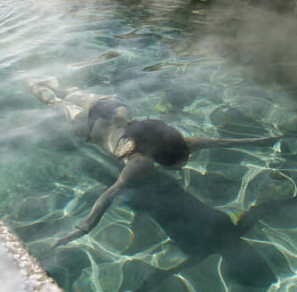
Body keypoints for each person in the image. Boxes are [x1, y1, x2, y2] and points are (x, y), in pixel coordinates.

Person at [27, 77, 278, 245]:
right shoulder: (139, 165)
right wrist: (81, 229)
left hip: (112, 107)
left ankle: (32, 76)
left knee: (69, 92)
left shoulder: (177, 142)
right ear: (161, 160)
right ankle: (29, 82)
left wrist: (264, 140)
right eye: (180, 162)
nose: (184, 161)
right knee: (55, 101)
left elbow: (221, 142)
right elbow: (109, 195)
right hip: (87, 125)